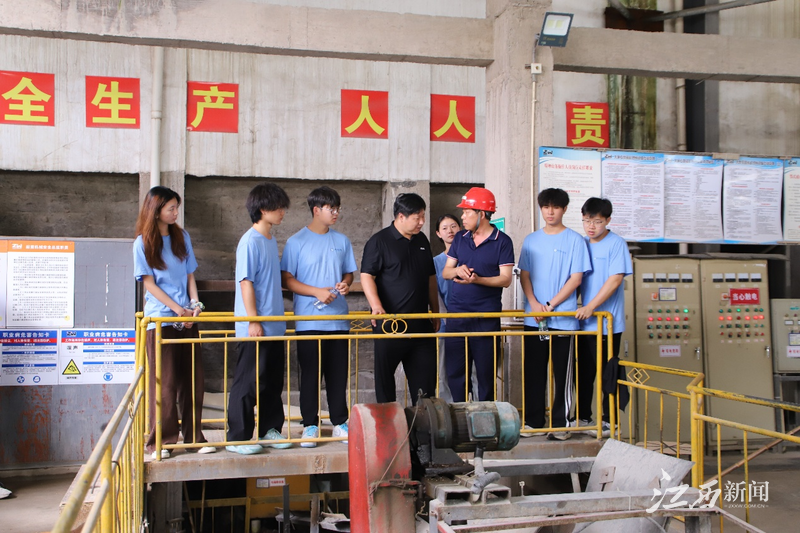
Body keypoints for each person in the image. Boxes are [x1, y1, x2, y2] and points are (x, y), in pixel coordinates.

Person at [133, 186, 215, 459]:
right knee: (164, 385)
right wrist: (178, 309)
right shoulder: (142, 243)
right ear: (156, 211)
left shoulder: (182, 237)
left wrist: (195, 305)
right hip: (161, 321)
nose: (175, 212)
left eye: (176, 207)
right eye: (171, 208)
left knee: (193, 382)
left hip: (187, 319)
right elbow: (149, 284)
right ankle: (162, 441)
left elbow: (190, 276)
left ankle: (194, 438)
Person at [281, 186, 357, 447]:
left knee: (338, 375)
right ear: (316, 210)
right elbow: (287, 279)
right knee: (310, 375)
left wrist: (346, 284)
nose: (336, 213)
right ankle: (310, 425)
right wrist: (316, 292)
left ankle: (339, 422)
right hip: (308, 321)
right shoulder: (296, 242)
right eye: (330, 208)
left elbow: (349, 273)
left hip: (338, 320)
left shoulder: (342, 241)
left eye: (337, 208)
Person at [519, 188, 591, 440]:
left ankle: (562, 423)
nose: (550, 212)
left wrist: (550, 305)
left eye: (556, 207)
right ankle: (533, 422)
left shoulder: (575, 240)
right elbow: (524, 275)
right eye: (546, 207)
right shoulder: (531, 240)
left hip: (563, 320)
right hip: (534, 319)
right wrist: (534, 304)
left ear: (564, 209)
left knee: (563, 375)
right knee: (533, 372)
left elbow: (576, 278)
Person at [226, 183, 292, 455]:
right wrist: (253, 320)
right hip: (256, 326)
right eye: (279, 207)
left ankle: (269, 430)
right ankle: (238, 438)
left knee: (272, 382)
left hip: (274, 325)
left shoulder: (270, 240)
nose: (283, 212)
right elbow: (246, 283)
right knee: (248, 382)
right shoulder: (250, 241)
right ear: (263, 209)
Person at [361, 193, 440, 404]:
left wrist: (435, 311)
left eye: (423, 216)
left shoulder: (422, 240)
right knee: (385, 383)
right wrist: (376, 306)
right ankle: (388, 423)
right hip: (390, 325)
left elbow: (431, 278)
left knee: (425, 387)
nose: (422, 222)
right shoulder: (379, 241)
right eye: (417, 217)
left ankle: (423, 423)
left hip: (421, 325)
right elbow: (367, 276)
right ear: (401, 216)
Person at [442, 188, 514, 402]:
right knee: (456, 373)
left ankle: (485, 417)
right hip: (457, 316)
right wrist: (458, 270)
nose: (462, 217)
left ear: (481, 214)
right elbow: (446, 272)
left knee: (485, 375)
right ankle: (459, 415)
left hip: (486, 318)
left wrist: (478, 280)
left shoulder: (503, 241)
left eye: (467, 212)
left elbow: (506, 279)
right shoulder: (460, 238)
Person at [574, 197, 632, 438]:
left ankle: (610, 421)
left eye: (597, 221)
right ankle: (583, 417)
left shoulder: (616, 244)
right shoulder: (581, 244)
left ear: (608, 220)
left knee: (607, 373)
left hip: (608, 323)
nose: (591, 226)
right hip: (583, 323)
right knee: (583, 373)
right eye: (587, 220)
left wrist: (591, 306)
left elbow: (615, 279)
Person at [433, 214, 461, 402]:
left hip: (469, 320)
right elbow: (434, 292)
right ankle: (448, 409)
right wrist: (444, 316)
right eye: (444, 228)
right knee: (444, 371)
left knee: (472, 371)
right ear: (438, 233)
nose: (450, 231)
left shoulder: (469, 256)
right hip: (445, 323)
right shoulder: (436, 262)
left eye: (453, 226)